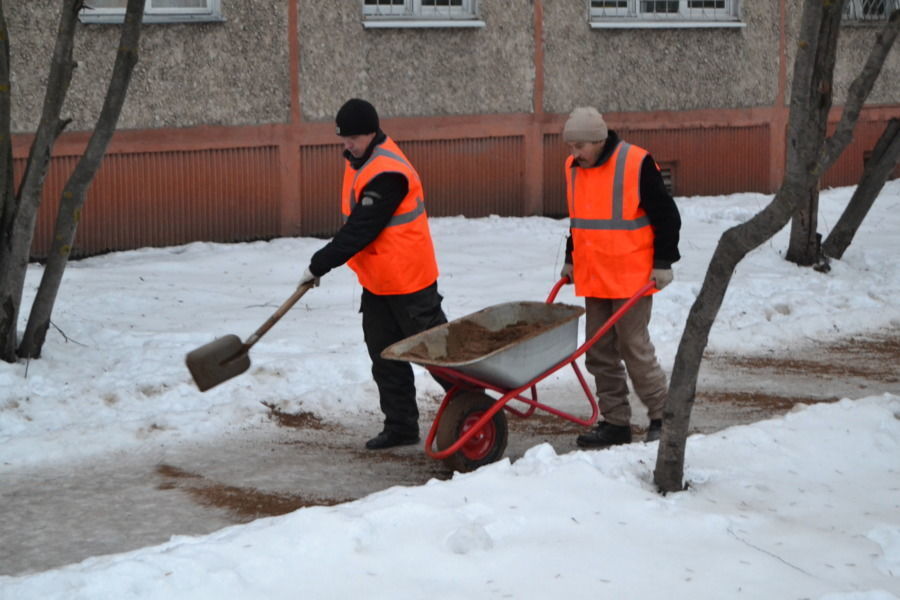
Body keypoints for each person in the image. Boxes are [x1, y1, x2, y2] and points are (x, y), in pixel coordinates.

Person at [299, 98, 449, 450]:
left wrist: (320, 262)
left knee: (437, 356)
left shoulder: (388, 172)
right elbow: (358, 225)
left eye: (352, 138)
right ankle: (400, 427)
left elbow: (361, 228)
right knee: (384, 356)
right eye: (343, 138)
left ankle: (475, 407)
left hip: (410, 281)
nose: (346, 145)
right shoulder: (360, 161)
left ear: (371, 132)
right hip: (379, 282)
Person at [559, 106, 681, 448]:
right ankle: (615, 423)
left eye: (579, 147)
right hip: (595, 275)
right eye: (570, 147)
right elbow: (580, 220)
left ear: (598, 141)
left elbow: (667, 216)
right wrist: (571, 258)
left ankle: (662, 416)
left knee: (634, 347)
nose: (574, 154)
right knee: (599, 353)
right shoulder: (574, 169)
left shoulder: (636, 163)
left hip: (632, 276)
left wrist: (664, 261)